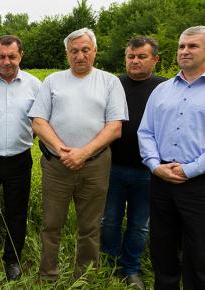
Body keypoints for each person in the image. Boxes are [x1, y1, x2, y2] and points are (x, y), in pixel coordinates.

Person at [28, 27, 128, 281]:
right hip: (56, 165)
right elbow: (38, 121)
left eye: (85, 50)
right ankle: (47, 276)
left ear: (94, 51)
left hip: (95, 164)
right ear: (67, 53)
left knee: (90, 226)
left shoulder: (109, 81)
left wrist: (83, 153)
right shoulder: (53, 81)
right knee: (51, 224)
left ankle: (85, 278)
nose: (80, 55)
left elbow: (115, 127)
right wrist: (64, 151)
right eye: (74, 51)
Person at [137, 26, 205, 290]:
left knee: (199, 251)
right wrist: (155, 166)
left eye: (193, 46)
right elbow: (146, 132)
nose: (184, 51)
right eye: (181, 46)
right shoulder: (162, 90)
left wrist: (190, 170)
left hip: (198, 184)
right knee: (162, 247)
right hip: (162, 180)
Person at [100, 36, 167, 289]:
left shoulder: (165, 88)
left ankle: (131, 269)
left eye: (142, 56)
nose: (135, 61)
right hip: (112, 166)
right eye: (131, 56)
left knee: (140, 225)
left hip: (149, 170)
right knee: (109, 220)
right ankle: (109, 265)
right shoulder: (112, 84)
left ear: (155, 59)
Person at [0, 35, 41, 281]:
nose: (7, 61)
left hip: (19, 159)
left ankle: (12, 260)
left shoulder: (35, 85)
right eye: (1, 56)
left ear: (21, 56)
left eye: (12, 56)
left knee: (16, 213)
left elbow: (40, 121)